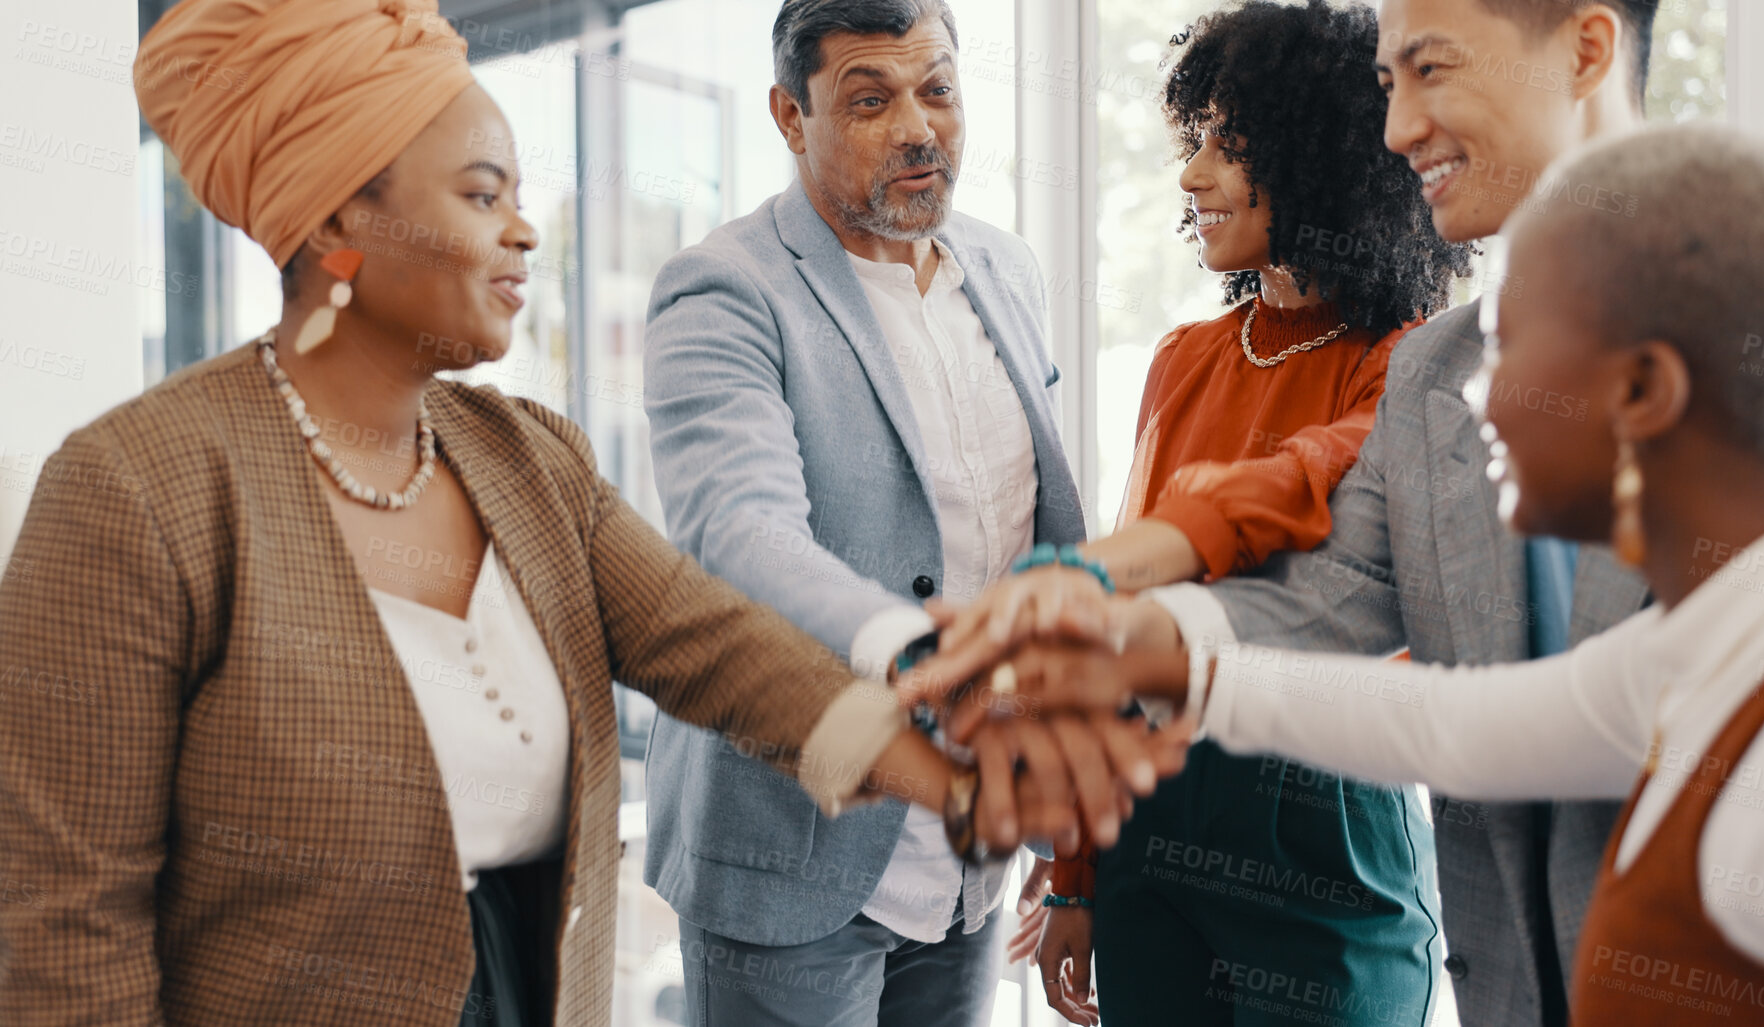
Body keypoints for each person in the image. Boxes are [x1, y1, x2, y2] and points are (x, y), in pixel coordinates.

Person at [0, 2, 1178, 1024]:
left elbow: (716, 652)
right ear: (334, 229)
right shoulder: (138, 491)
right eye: (480, 194)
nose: (524, 230)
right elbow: (61, 928)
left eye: (519, 191)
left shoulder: (527, 460)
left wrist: (960, 780)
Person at [913, 1, 1764, 1023]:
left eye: (1431, 68)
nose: (1398, 126)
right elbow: (1433, 704)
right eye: (1385, 84)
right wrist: (1134, 644)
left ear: (1586, 47)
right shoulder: (1435, 372)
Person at [946, 4, 1470, 1024]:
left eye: (1230, 149)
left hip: (1325, 805)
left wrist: (1141, 553)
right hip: (1157, 802)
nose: (1193, 179)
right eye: (1196, 145)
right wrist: (1076, 875)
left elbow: (1314, 480)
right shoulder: (1184, 359)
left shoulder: (1412, 360)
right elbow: (1117, 667)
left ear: (1319, 159)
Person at [635, 1, 1098, 1023]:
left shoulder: (1006, 270)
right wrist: (911, 646)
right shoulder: (724, 288)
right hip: (794, 848)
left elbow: (1038, 534)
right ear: (790, 117)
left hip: (969, 845)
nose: (918, 127)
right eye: (870, 100)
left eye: (937, 89)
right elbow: (739, 531)